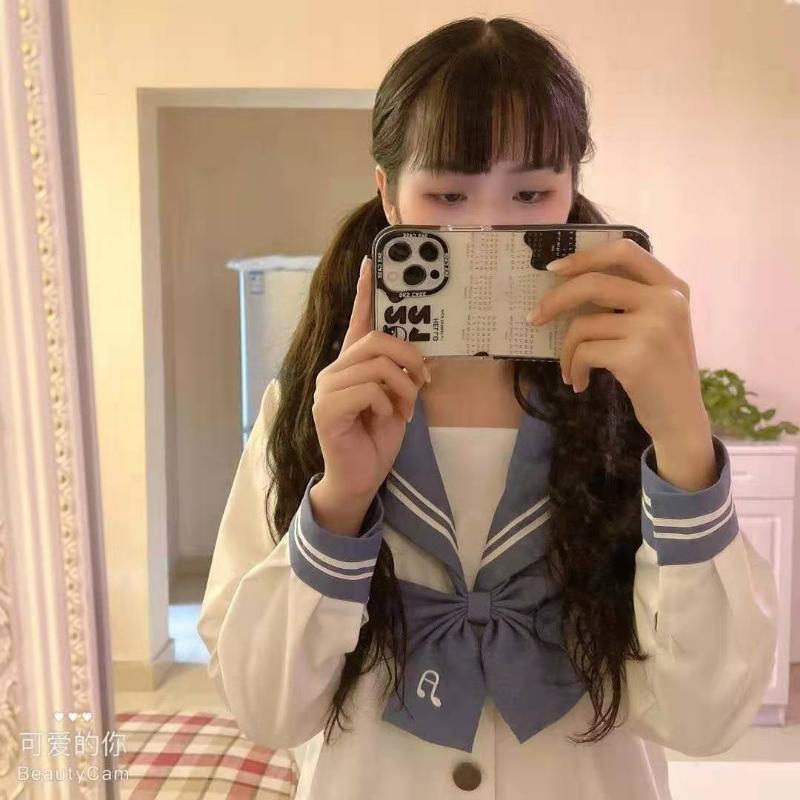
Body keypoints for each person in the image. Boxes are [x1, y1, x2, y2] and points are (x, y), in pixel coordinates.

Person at [197, 16, 778, 800]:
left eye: (531, 193)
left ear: (572, 188)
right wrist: (340, 502)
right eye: (446, 194)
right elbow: (264, 710)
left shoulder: (634, 406)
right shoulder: (308, 407)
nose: (488, 229)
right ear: (386, 192)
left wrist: (682, 440)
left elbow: (708, 716)